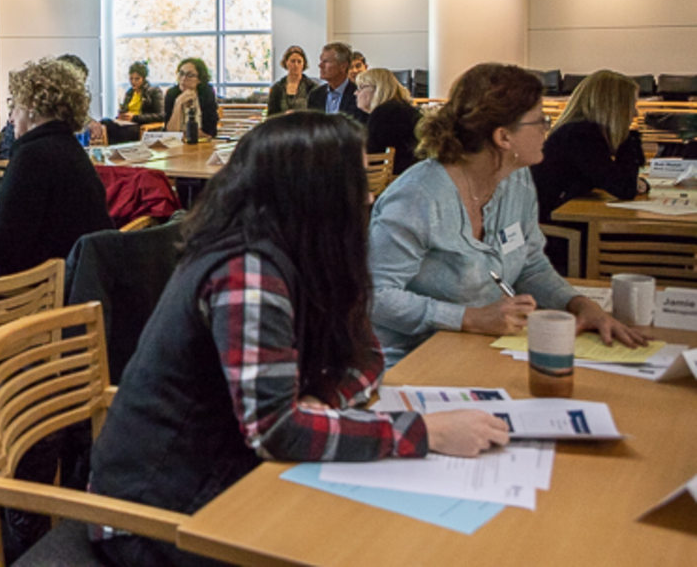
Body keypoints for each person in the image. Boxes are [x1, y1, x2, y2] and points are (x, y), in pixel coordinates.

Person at [89, 112, 511, 567]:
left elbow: (367, 357)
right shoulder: (247, 271)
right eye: (353, 184)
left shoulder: (305, 256)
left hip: (232, 477)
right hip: (154, 513)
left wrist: (322, 399)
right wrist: (427, 432)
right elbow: (275, 432)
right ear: (313, 194)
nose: (368, 196)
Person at [368, 63, 646, 368]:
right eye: (540, 121)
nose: (547, 129)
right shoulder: (417, 197)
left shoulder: (516, 178)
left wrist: (578, 304)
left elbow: (530, 264)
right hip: (410, 359)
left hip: (482, 347)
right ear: (503, 137)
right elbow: (377, 296)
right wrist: (470, 318)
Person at [0, 57, 112, 275]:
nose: (10, 118)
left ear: (31, 107)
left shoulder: (33, 156)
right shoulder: (67, 147)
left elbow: (1, 243)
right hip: (76, 277)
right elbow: (15, 216)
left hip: (38, 292)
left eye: (13, 106)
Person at [531, 70, 646, 223]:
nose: (635, 114)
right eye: (631, 105)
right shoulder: (581, 135)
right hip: (551, 229)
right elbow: (625, 189)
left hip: (556, 216)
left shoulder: (579, 131)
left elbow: (613, 179)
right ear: (614, 107)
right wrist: (628, 139)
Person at [355, 67, 422, 175]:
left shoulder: (384, 113)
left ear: (377, 89)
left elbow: (372, 154)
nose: (356, 93)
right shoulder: (402, 108)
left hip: (389, 179)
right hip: (410, 175)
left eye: (361, 87)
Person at [103, 60, 164, 144]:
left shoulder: (154, 91)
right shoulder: (130, 92)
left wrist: (135, 117)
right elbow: (124, 110)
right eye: (131, 78)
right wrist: (122, 115)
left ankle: (117, 152)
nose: (133, 82)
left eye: (137, 79)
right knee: (104, 122)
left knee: (118, 132)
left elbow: (160, 116)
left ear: (144, 78)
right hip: (127, 123)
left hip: (139, 125)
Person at [306, 41, 368, 123]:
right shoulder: (315, 95)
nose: (320, 66)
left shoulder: (359, 95)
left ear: (343, 66)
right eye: (321, 61)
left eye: (326, 62)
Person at [163, 58, 218, 138]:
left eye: (190, 75)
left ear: (200, 79)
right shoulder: (172, 93)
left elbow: (210, 132)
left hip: (202, 144)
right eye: (181, 74)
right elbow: (170, 133)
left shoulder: (207, 93)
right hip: (177, 145)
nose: (184, 78)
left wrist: (185, 134)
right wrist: (178, 103)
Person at [266, 45, 318, 117]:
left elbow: (316, 115)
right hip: (282, 126)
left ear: (304, 64)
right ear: (286, 63)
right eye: (292, 61)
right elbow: (271, 116)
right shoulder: (277, 88)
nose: (296, 65)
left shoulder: (312, 87)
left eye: (299, 62)